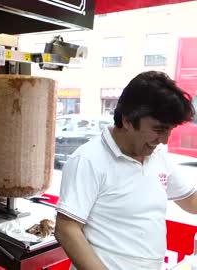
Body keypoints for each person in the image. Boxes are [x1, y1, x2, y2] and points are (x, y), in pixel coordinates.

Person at [55, 71, 197, 270]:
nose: (164, 140)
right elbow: (67, 228)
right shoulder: (89, 159)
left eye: (169, 130)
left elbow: (191, 201)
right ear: (128, 120)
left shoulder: (158, 155)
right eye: (158, 129)